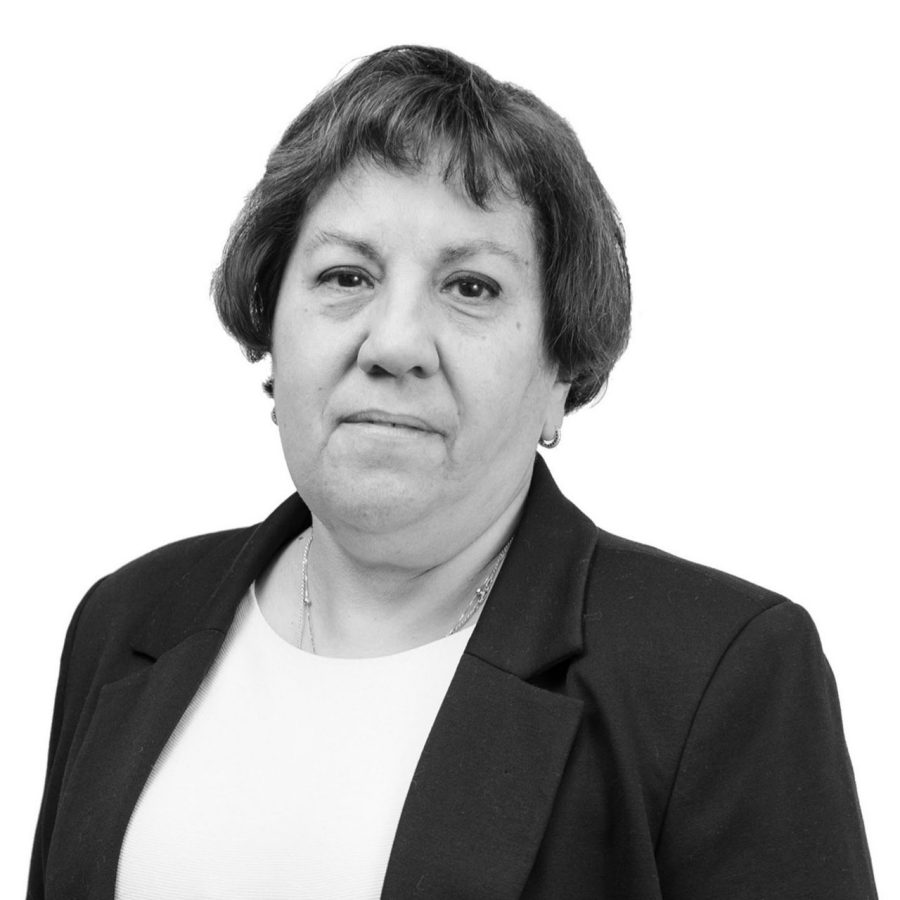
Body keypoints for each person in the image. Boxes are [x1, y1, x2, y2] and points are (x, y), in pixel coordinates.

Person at [28, 45, 877, 900]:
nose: (395, 343)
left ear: (562, 370)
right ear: (270, 330)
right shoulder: (126, 621)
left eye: (471, 287)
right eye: (345, 276)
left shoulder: (719, 675)